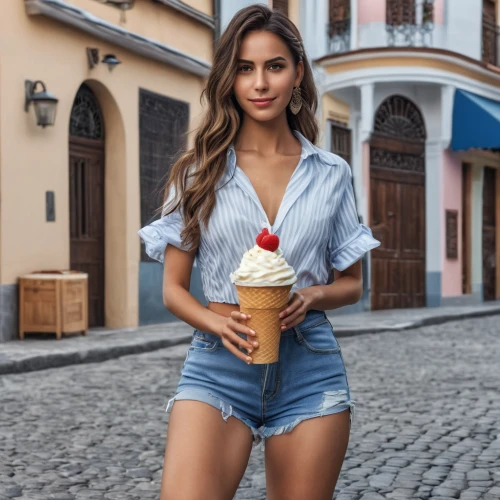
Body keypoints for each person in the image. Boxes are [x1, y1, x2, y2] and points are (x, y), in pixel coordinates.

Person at [138, 4, 381, 499]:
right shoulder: (198, 171)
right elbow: (174, 291)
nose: (260, 82)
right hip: (218, 364)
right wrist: (216, 323)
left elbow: (353, 283)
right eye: (245, 68)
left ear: (297, 75)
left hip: (309, 367)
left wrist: (312, 296)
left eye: (274, 66)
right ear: (230, 78)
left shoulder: (331, 173)